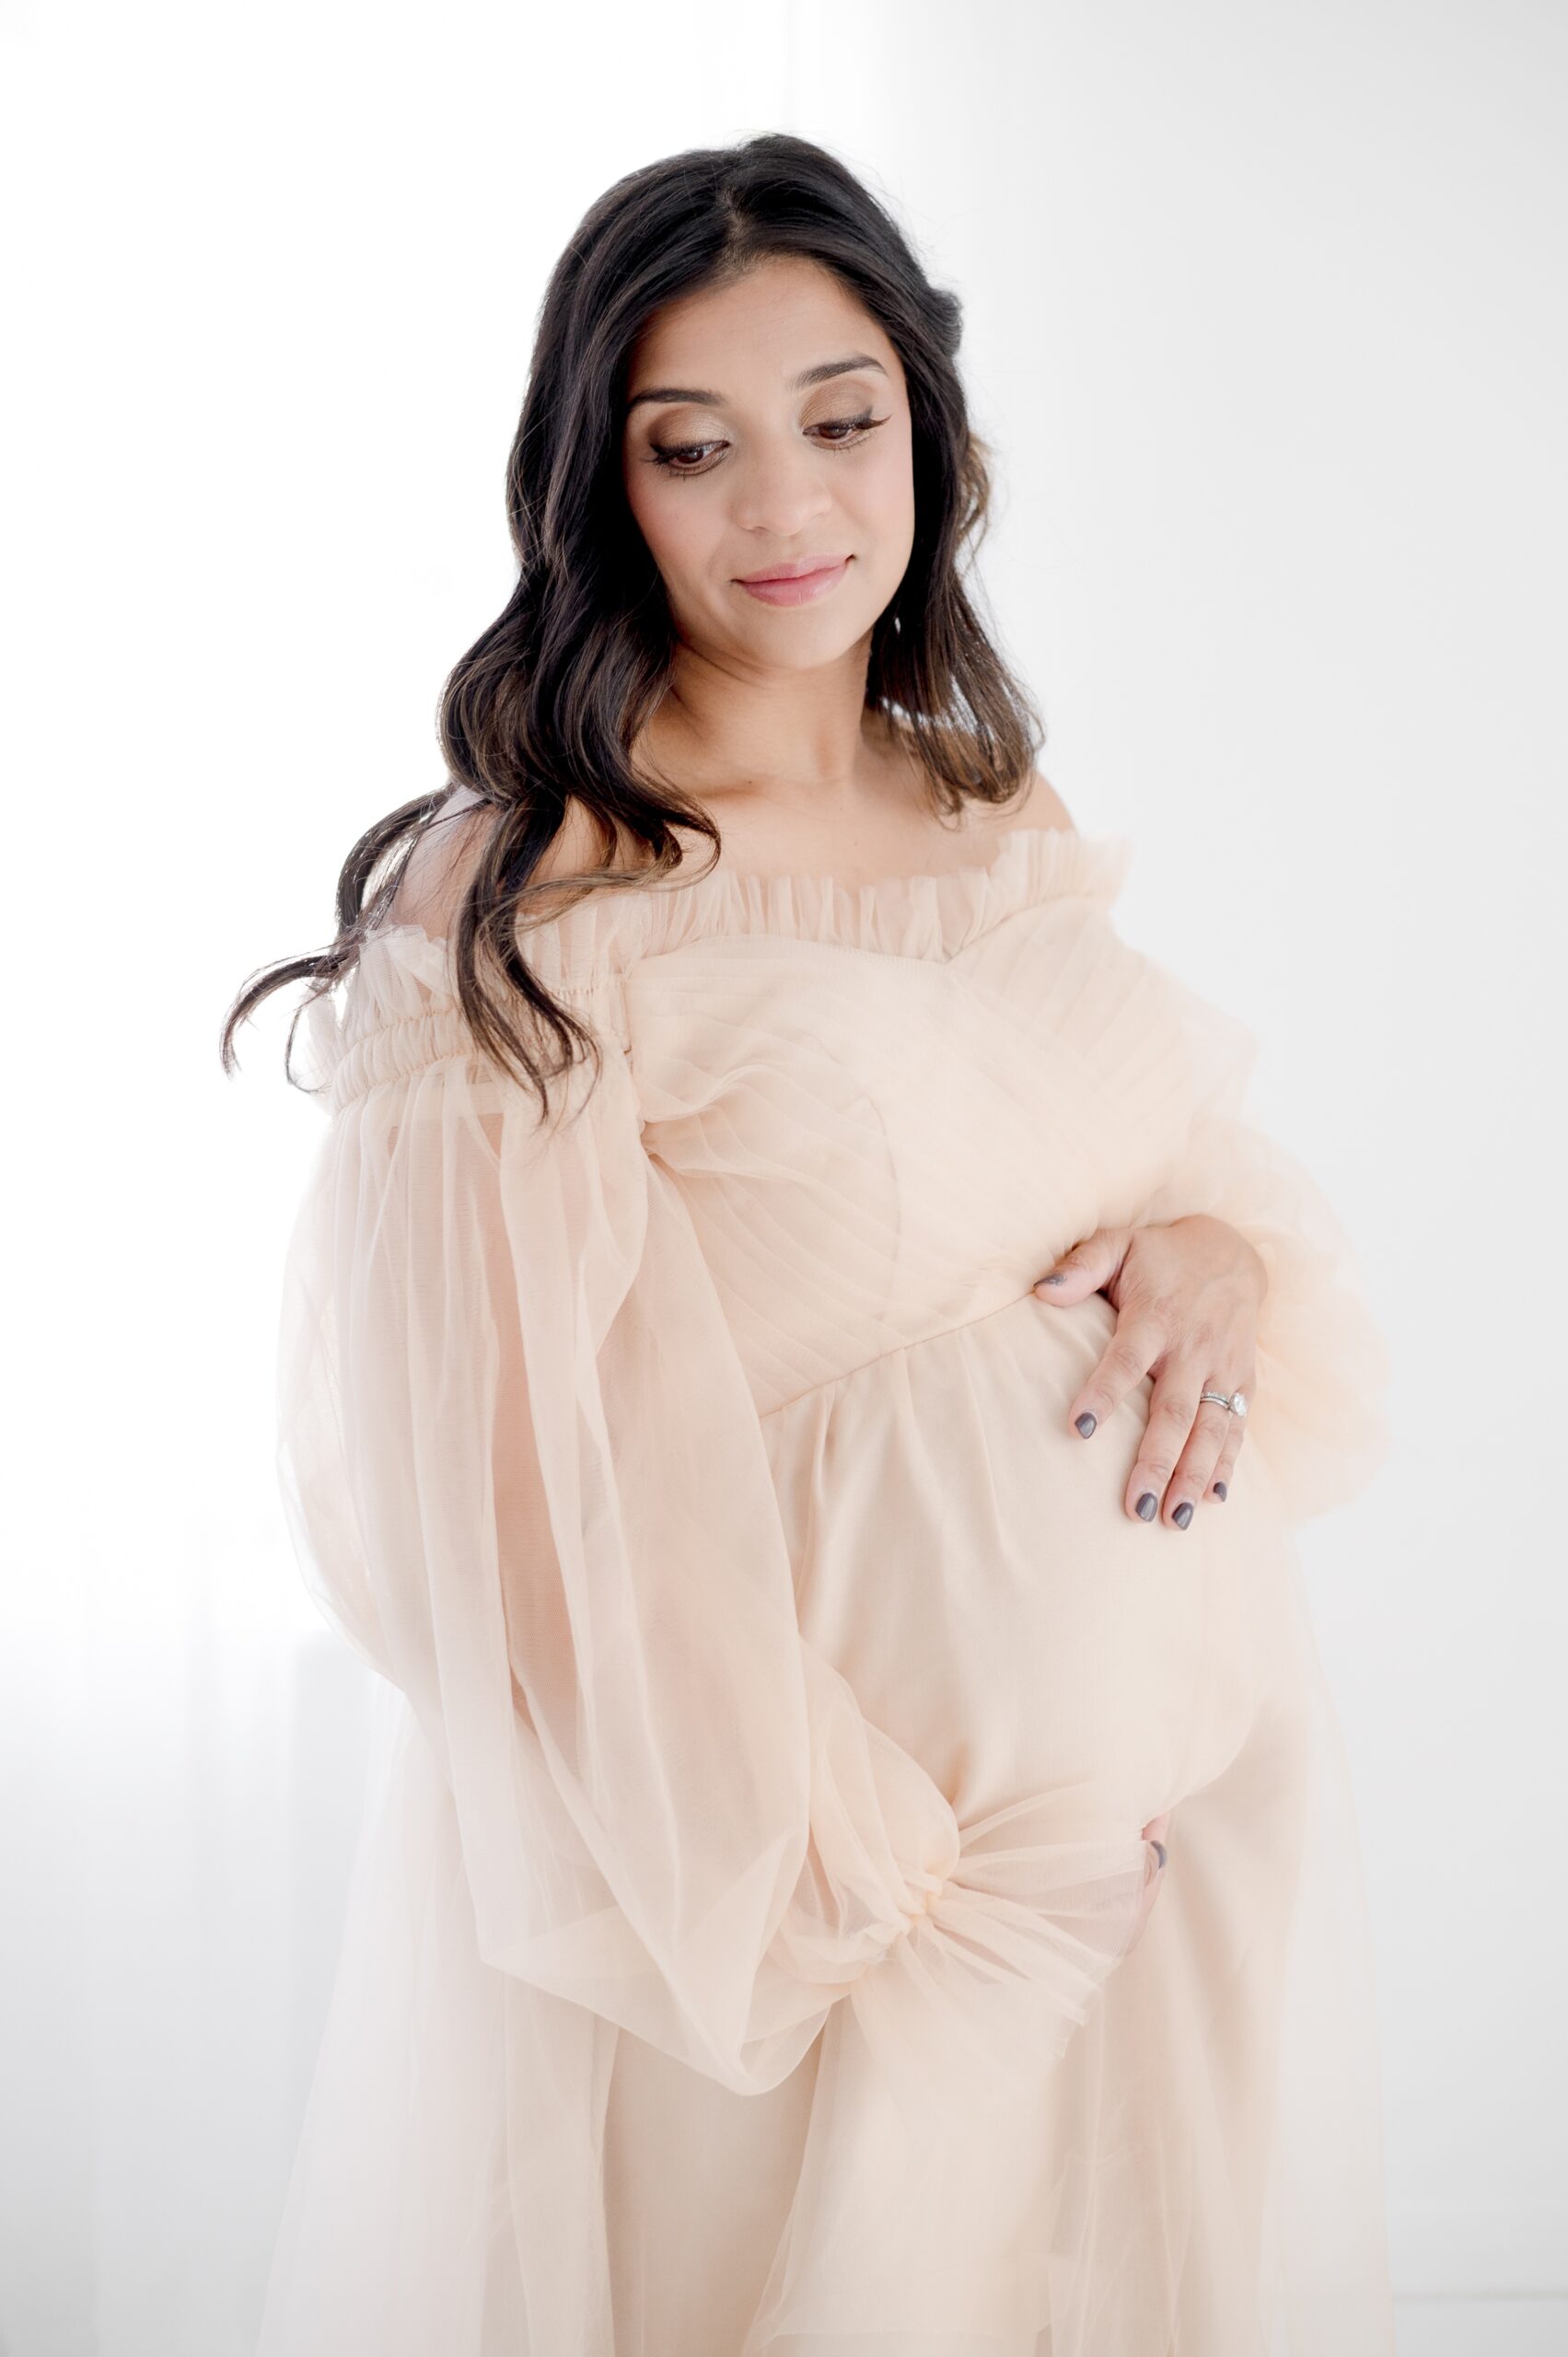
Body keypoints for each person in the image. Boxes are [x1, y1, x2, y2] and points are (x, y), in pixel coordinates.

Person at [228, 133, 1395, 2357]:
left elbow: (1158, 1169)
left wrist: (1215, 1256)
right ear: (605, 484)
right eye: (697, 447)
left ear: (932, 439)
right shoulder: (527, 894)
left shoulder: (994, 809)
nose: (789, 510)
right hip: (807, 1908)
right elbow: (488, 1514)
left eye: (841, 419)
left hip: (1177, 1839)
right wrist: (865, 1864)